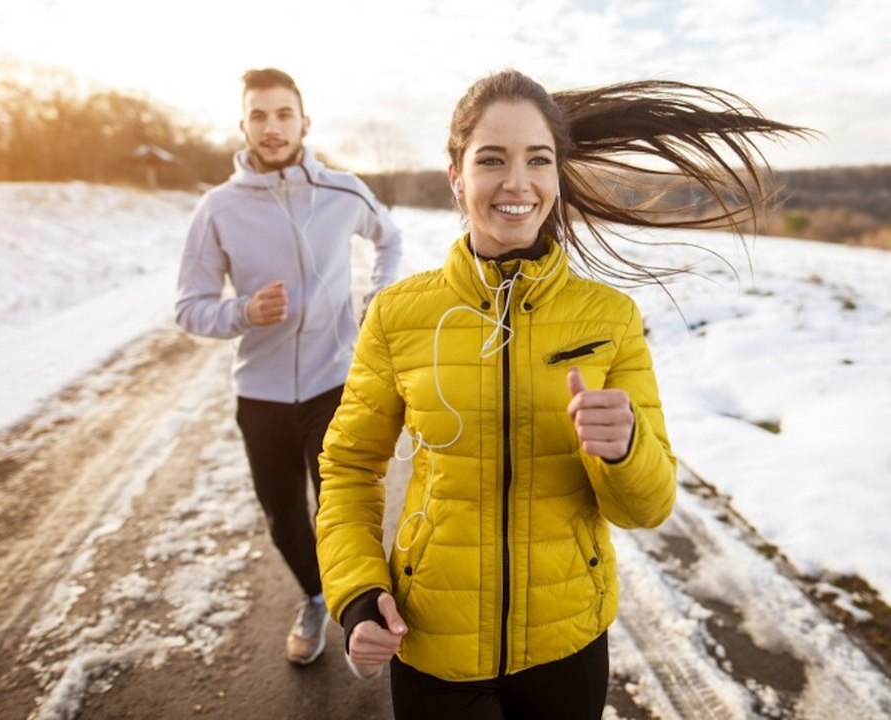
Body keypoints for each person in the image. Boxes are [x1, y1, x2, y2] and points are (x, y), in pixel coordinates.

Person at [315, 70, 806, 718]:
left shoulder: (608, 318)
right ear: (455, 175)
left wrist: (625, 447)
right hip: (432, 639)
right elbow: (349, 467)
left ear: (557, 175)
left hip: (567, 643)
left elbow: (649, 507)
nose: (516, 182)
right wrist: (354, 592)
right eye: (491, 159)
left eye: (536, 160)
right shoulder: (399, 315)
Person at [175, 67, 402, 666]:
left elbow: (391, 238)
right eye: (258, 116)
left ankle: (358, 616)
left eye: (283, 114)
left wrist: (379, 294)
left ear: (305, 121)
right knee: (283, 517)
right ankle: (314, 594)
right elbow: (189, 309)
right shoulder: (218, 209)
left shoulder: (343, 191)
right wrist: (243, 312)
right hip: (263, 392)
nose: (271, 128)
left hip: (335, 381)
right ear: (243, 125)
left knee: (341, 507)